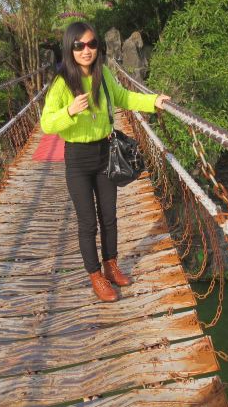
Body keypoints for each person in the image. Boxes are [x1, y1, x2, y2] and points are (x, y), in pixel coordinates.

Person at [40, 21, 170, 302]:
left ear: (98, 47)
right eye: (79, 46)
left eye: (91, 44)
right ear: (70, 49)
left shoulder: (104, 74)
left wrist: (153, 101)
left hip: (105, 153)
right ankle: (96, 276)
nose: (86, 50)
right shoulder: (63, 83)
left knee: (109, 217)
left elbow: (123, 96)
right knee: (88, 223)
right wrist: (70, 111)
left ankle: (112, 266)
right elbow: (47, 124)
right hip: (77, 159)